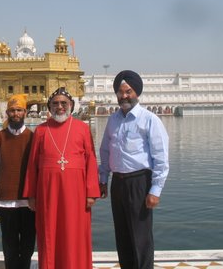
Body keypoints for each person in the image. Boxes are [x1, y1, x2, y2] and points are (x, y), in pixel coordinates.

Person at [99, 70, 169, 269]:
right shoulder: (113, 120)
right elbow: (105, 151)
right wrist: (103, 179)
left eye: (128, 91)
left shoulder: (149, 119)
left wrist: (155, 190)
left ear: (136, 92)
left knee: (141, 237)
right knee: (122, 235)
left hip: (139, 182)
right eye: (120, 93)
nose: (124, 96)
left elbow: (161, 158)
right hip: (118, 183)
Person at [23, 87, 100, 269]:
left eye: (63, 103)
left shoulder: (82, 128)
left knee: (75, 233)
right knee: (50, 232)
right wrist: (31, 195)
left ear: (71, 106)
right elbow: (33, 164)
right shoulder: (41, 130)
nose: (60, 107)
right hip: (48, 192)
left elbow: (91, 160)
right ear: (49, 107)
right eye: (55, 103)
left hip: (77, 193)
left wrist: (91, 193)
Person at [0, 94, 36, 269]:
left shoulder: (33, 138)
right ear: (7, 112)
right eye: (12, 110)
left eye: (19, 110)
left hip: (28, 202)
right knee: (9, 247)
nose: (15, 114)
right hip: (6, 202)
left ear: (25, 112)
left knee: (28, 247)